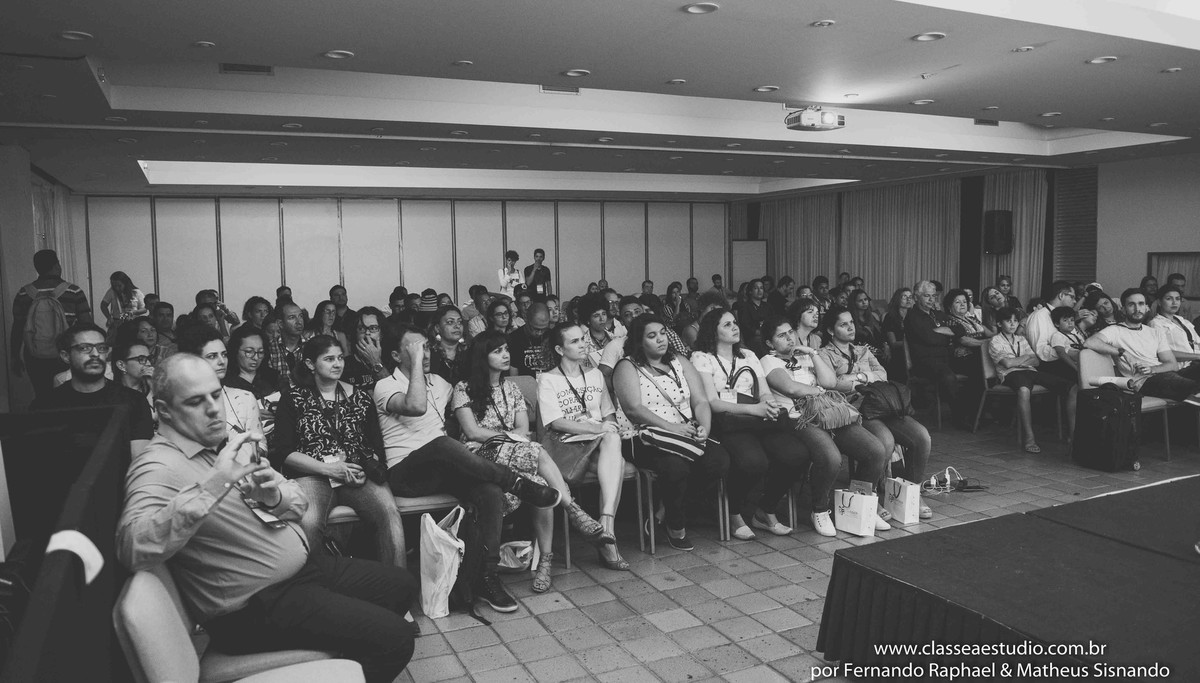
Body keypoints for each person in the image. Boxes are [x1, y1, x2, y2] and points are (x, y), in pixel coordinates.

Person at [117, 354, 416, 682]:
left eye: (216, 395)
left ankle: (341, 654)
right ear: (163, 410)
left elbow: (296, 503)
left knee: (400, 586)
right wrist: (213, 485)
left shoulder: (217, 446)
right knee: (394, 640)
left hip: (300, 573)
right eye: (195, 401)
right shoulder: (158, 466)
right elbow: (132, 548)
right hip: (257, 605)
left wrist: (272, 497)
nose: (214, 408)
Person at [375, 323, 563, 613]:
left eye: (426, 347)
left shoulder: (441, 383)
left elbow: (478, 390)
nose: (423, 354)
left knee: (490, 492)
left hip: (445, 468)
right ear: (396, 356)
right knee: (442, 444)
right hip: (407, 473)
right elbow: (415, 406)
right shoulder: (385, 386)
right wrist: (412, 367)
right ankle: (515, 482)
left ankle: (487, 577)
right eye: (415, 349)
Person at [452, 331, 608, 592]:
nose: (505, 355)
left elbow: (524, 429)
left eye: (506, 350)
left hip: (515, 454)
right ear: (482, 356)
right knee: (535, 451)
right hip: (479, 457)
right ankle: (573, 510)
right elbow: (472, 432)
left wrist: (509, 438)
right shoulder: (463, 388)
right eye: (497, 351)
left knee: (540, 484)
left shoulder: (511, 387)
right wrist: (508, 437)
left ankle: (545, 561)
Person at [271, 335, 404, 567]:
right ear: (311, 364)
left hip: (355, 473)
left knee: (389, 513)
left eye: (340, 358)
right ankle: (316, 592)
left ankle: (397, 591)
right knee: (309, 521)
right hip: (313, 474)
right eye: (329, 359)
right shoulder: (294, 398)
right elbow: (284, 452)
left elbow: (376, 448)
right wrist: (330, 469)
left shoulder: (361, 397)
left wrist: (368, 466)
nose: (337, 364)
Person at [759, 315, 892, 534]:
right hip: (799, 418)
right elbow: (792, 389)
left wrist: (813, 354)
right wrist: (818, 391)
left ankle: (860, 505)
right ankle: (819, 510)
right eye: (781, 336)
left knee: (875, 450)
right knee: (831, 457)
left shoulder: (805, 355)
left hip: (828, 413)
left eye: (791, 333)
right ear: (769, 343)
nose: (790, 339)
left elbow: (830, 382)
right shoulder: (768, 361)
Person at [612, 314, 730, 551]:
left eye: (663, 333)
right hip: (643, 436)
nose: (660, 340)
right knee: (675, 467)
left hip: (684, 432)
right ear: (639, 341)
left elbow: (700, 400)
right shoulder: (627, 366)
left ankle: (664, 511)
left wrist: (704, 427)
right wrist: (672, 428)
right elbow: (633, 409)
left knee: (718, 461)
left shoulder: (680, 361)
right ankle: (676, 526)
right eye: (652, 336)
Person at [691, 309, 808, 538]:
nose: (735, 327)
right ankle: (733, 513)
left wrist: (768, 404)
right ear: (712, 331)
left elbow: (763, 392)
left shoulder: (748, 355)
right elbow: (712, 402)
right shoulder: (702, 357)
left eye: (735, 322)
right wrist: (753, 408)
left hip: (756, 418)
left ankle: (765, 510)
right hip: (728, 421)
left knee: (797, 454)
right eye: (727, 324)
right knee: (754, 462)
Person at [817, 308, 932, 519]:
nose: (851, 327)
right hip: (857, 409)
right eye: (843, 324)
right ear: (830, 330)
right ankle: (867, 497)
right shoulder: (825, 354)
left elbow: (882, 373)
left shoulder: (863, 350)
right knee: (885, 441)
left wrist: (856, 376)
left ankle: (910, 494)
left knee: (921, 436)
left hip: (883, 405)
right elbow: (834, 384)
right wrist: (865, 377)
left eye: (851, 322)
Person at [538, 322, 631, 570]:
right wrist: (598, 428)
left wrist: (606, 427)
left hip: (598, 441)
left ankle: (606, 524)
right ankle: (608, 541)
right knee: (617, 461)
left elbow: (608, 413)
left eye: (583, 339)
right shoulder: (547, 379)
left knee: (612, 439)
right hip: (566, 443)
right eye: (575, 341)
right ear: (559, 349)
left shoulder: (595, 374)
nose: (583, 345)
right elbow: (557, 422)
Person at [29, 323, 154, 455]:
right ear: (66, 356)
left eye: (101, 348)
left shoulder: (133, 400)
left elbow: (138, 461)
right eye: (84, 348)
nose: (95, 354)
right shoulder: (45, 406)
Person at [1085, 288, 1200, 405]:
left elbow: (1172, 364)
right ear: (1123, 309)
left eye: (1141, 304)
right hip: (1144, 381)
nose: (1137, 309)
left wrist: (1153, 369)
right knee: (1194, 387)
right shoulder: (1115, 330)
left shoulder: (1154, 332)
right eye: (1131, 304)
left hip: (1165, 374)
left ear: (1146, 307)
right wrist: (1123, 352)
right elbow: (1090, 342)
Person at [987, 308, 1076, 452]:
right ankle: (1029, 438)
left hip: (1030, 372)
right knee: (1023, 390)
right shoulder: (995, 341)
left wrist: (1018, 360)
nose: (1013, 324)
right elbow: (1008, 364)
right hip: (1011, 375)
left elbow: (1036, 362)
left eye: (1015, 321)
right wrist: (1024, 359)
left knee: (1071, 386)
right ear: (999, 323)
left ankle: (1074, 436)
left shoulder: (1022, 339)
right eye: (1008, 321)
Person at [9, 249, 92, 398]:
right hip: (65, 354)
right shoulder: (73, 291)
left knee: (42, 396)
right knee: (67, 396)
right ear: (57, 266)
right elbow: (86, 326)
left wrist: (15, 356)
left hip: (34, 355)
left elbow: (18, 327)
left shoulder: (24, 293)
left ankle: (43, 420)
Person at [178, 325, 261, 437]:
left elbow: (260, 444)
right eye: (212, 356)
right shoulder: (180, 404)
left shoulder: (245, 398)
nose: (222, 361)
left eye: (224, 354)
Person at [904, 280, 966, 425]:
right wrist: (947, 334)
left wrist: (940, 331)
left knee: (975, 367)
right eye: (927, 296)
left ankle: (975, 412)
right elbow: (930, 339)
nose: (932, 299)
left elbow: (960, 329)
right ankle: (960, 418)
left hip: (945, 358)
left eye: (933, 296)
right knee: (949, 376)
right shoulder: (912, 317)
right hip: (924, 362)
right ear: (916, 297)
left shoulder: (938, 314)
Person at [1025, 281, 1080, 383]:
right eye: (1072, 297)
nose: (1075, 301)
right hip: (1047, 365)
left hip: (1066, 360)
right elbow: (1040, 351)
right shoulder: (1039, 316)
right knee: (1081, 377)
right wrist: (1067, 352)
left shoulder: (1065, 316)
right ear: (1061, 295)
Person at [944, 289, 992, 392]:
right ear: (949, 306)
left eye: (964, 302)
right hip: (963, 359)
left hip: (981, 355)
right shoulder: (949, 321)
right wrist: (988, 343)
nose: (962, 304)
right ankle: (976, 401)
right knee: (981, 366)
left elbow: (990, 334)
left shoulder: (972, 319)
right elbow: (964, 340)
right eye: (957, 302)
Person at [224, 323, 281, 399]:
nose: (256, 357)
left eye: (260, 352)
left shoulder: (273, 378)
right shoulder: (227, 384)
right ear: (235, 351)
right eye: (249, 352)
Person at [1149, 286, 1200, 370]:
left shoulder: (1184, 321)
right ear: (1159, 302)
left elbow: (1197, 342)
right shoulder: (1156, 324)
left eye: (1177, 299)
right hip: (1182, 367)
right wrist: (1197, 356)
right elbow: (1162, 353)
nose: (1174, 302)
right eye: (1169, 299)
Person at [340, 307, 390, 389]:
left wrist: (376, 362)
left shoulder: (392, 360)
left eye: (373, 328)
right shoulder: (344, 366)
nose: (367, 333)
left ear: (382, 333)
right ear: (355, 333)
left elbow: (394, 392)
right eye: (361, 329)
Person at [508, 302, 554, 376]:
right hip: (526, 384)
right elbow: (513, 369)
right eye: (536, 329)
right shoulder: (514, 338)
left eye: (543, 329)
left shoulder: (552, 335)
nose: (540, 333)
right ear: (526, 319)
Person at [428, 305, 468, 384]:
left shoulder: (469, 352)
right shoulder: (429, 354)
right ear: (437, 328)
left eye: (459, 322)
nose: (457, 326)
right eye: (450, 322)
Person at [100, 271, 147, 336]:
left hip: (134, 323)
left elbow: (144, 309)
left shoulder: (136, 292)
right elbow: (103, 305)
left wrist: (134, 312)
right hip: (117, 323)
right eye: (114, 286)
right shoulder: (112, 291)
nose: (117, 288)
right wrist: (108, 317)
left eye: (119, 285)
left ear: (125, 283)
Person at [269, 303, 306, 386]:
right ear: (281, 323)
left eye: (300, 316)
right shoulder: (270, 348)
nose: (299, 322)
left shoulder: (312, 346)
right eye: (292, 317)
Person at [849, 289, 888, 363]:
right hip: (859, 353)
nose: (864, 302)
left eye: (865, 299)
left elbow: (879, 335)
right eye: (860, 301)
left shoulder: (871, 316)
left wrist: (885, 345)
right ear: (854, 303)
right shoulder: (850, 318)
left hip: (875, 351)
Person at [111, 335, 155, 400]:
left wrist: (153, 386)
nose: (149, 364)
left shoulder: (154, 388)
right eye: (141, 359)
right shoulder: (112, 395)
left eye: (149, 358)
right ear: (121, 365)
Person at [1049, 306, 1087, 379]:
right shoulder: (1057, 336)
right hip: (1071, 366)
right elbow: (1061, 353)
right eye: (1065, 320)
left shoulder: (1076, 335)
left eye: (1072, 320)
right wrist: (1076, 368)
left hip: (1084, 362)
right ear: (1057, 324)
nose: (1070, 323)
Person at [735, 279, 768, 354]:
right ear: (750, 291)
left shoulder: (768, 306)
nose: (759, 291)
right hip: (752, 338)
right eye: (756, 288)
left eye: (761, 288)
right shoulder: (744, 307)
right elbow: (745, 325)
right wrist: (759, 332)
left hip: (767, 335)